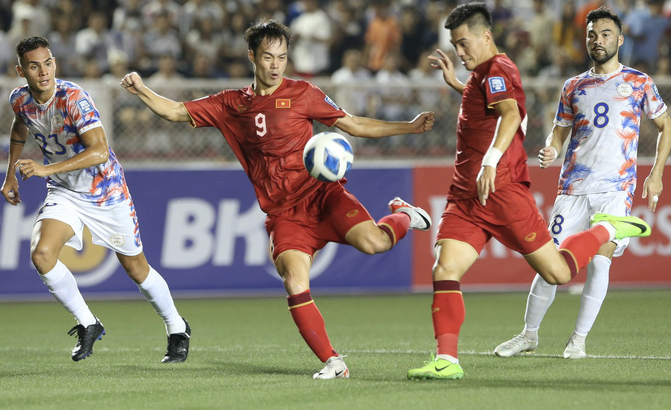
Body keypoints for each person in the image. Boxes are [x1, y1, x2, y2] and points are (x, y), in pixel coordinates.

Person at [120, 19, 435, 379]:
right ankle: (333, 362)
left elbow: (353, 125)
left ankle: (404, 215)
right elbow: (176, 111)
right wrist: (142, 90)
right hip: (284, 213)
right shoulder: (230, 104)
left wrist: (408, 127)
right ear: (252, 56)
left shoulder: (304, 94)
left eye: (282, 58)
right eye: (268, 57)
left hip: (323, 195)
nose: (275, 65)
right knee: (295, 282)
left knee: (376, 243)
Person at [405, 2, 653, 380]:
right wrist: (458, 82)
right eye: (455, 44)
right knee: (445, 268)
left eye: (464, 43)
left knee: (557, 273)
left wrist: (490, 161)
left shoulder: (500, 69)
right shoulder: (481, 75)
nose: (459, 51)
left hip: (503, 191)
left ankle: (607, 229)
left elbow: (509, 114)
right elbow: (485, 107)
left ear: (486, 36)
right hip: (467, 197)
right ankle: (447, 359)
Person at [494, 7, 671, 359]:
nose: (598, 40)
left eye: (606, 34)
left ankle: (578, 340)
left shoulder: (639, 82)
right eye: (592, 34)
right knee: (551, 263)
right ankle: (529, 335)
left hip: (616, 189)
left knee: (601, 258)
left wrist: (657, 174)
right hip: (573, 188)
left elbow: (667, 126)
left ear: (619, 40)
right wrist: (551, 149)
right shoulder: (573, 86)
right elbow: (559, 132)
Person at [0, 37, 191, 364]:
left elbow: (100, 151)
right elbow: (21, 127)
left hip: (105, 192)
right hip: (64, 191)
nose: (43, 71)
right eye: (34, 66)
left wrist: (46, 168)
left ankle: (177, 327)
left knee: (135, 267)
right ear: (21, 70)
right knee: (42, 254)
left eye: (48, 63)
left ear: (55, 63)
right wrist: (10, 174)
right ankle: (88, 323)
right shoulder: (20, 99)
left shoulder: (74, 98)